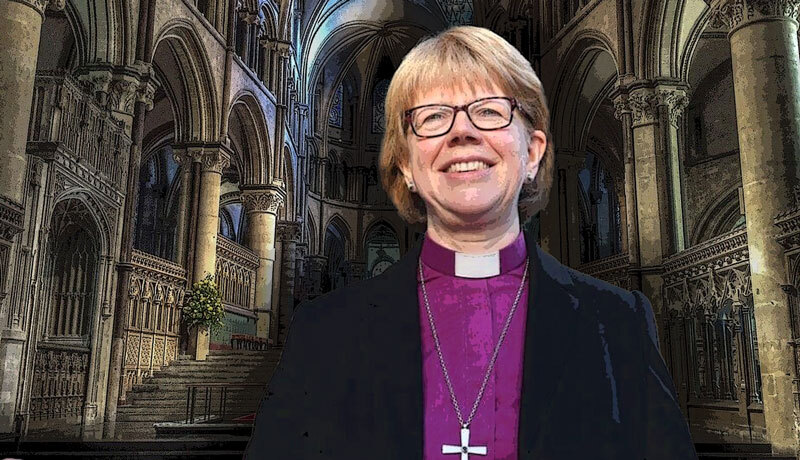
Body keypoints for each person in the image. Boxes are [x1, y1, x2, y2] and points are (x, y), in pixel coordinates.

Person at [244, 26, 697, 459]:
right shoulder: (323, 335)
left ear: (533, 151)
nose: (462, 131)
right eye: (434, 116)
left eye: (490, 111)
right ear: (406, 165)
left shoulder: (619, 324)